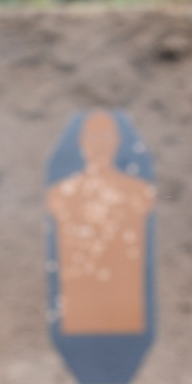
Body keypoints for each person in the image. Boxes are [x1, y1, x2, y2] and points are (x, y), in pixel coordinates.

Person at [47, 110, 155, 334]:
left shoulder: (137, 193)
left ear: (117, 141)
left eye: (106, 137)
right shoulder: (61, 194)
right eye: (92, 137)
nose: (99, 146)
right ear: (81, 143)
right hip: (78, 311)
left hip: (126, 311)